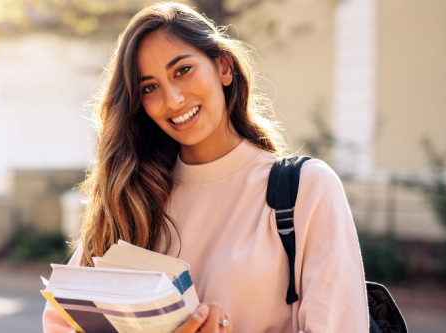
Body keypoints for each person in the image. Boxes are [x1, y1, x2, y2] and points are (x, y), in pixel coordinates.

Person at [42, 2, 369, 333]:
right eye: (149, 88)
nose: (173, 100)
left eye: (182, 70)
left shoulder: (305, 190)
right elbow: (61, 323)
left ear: (223, 68)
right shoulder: (131, 197)